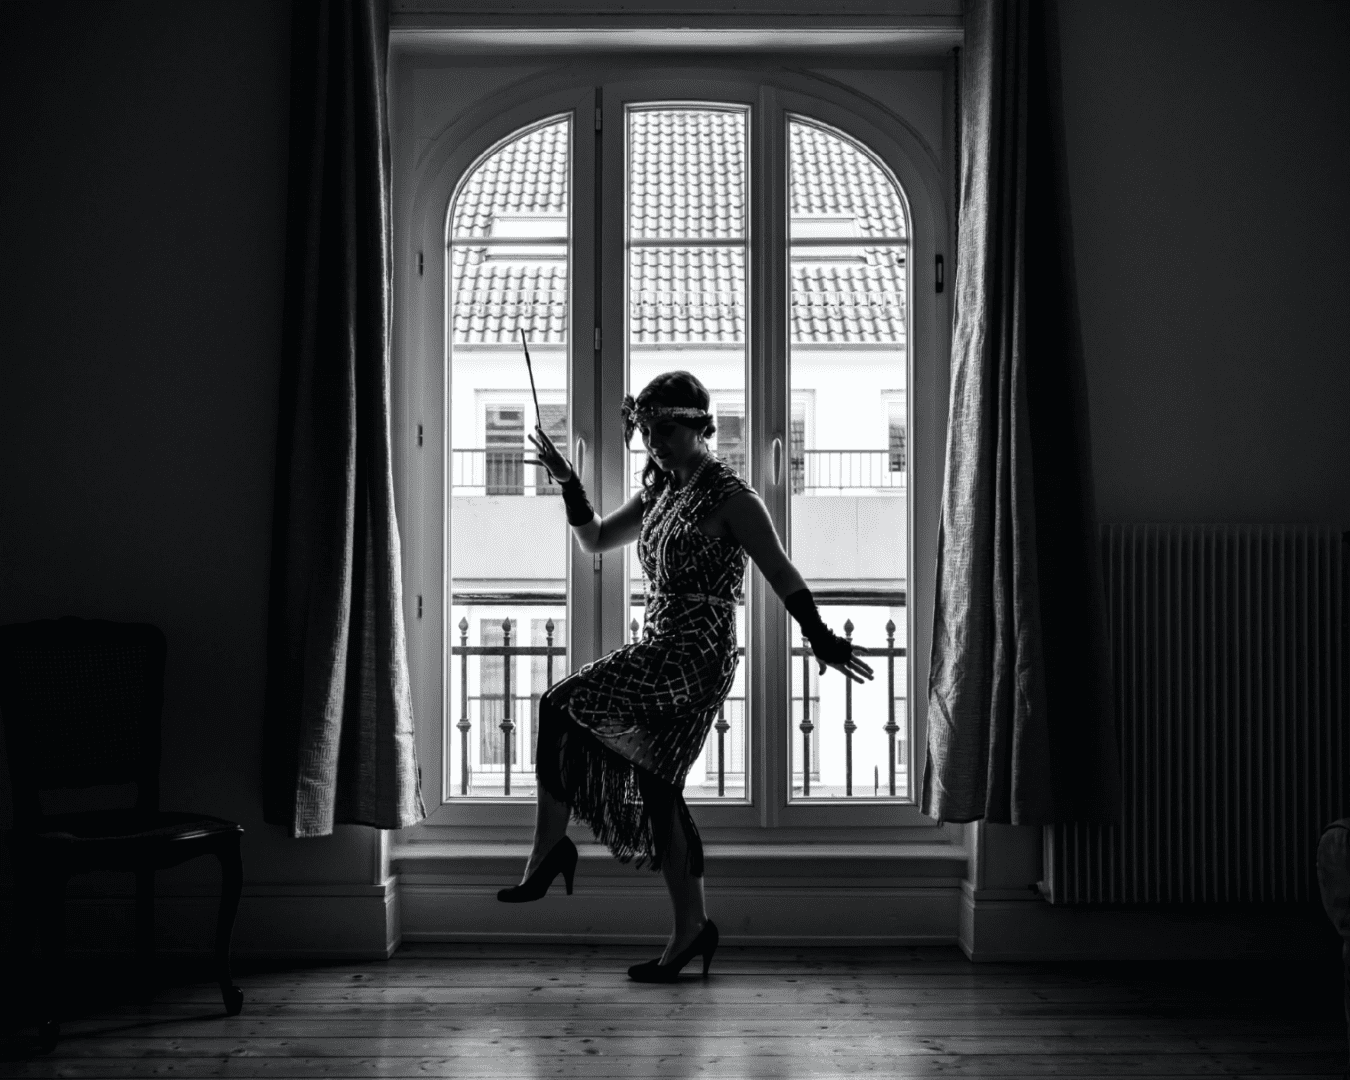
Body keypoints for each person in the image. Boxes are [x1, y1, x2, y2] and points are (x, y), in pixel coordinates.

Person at [500, 370, 874, 982]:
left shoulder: (733, 498)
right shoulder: (659, 493)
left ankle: (548, 849)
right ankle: (691, 930)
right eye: (647, 432)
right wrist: (568, 483)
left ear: (702, 428)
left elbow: (781, 571)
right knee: (658, 788)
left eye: (666, 431)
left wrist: (821, 636)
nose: (655, 444)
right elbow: (595, 538)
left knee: (560, 702)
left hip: (696, 654)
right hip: (658, 642)